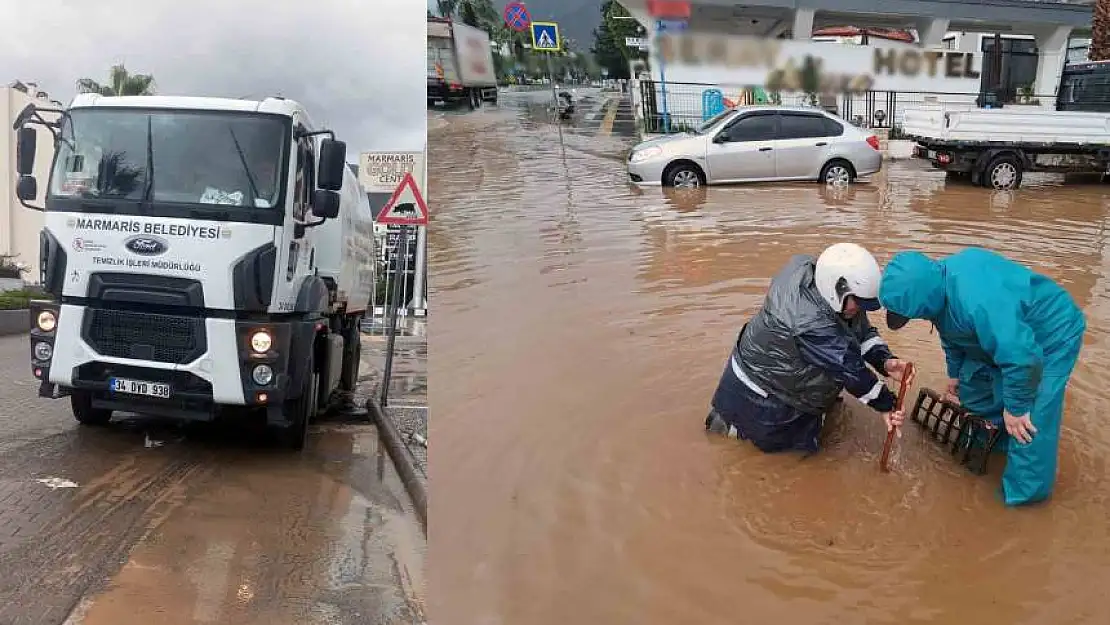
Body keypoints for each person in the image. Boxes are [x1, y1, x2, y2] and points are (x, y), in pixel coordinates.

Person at [879, 247, 1086, 506]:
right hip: (1008, 340)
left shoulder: (978, 300)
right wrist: (954, 374)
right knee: (973, 385)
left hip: (1049, 335)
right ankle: (993, 444)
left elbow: (1023, 358)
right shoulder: (936, 286)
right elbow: (952, 334)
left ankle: (1022, 501)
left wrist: (1017, 407)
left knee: (1028, 426)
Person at [705, 243, 908, 453]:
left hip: (781, 382)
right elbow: (850, 369)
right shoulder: (810, 321)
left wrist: (884, 361)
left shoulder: (822, 283)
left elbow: (859, 330)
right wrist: (887, 404)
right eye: (858, 303)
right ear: (837, 289)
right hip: (763, 402)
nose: (859, 309)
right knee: (786, 462)